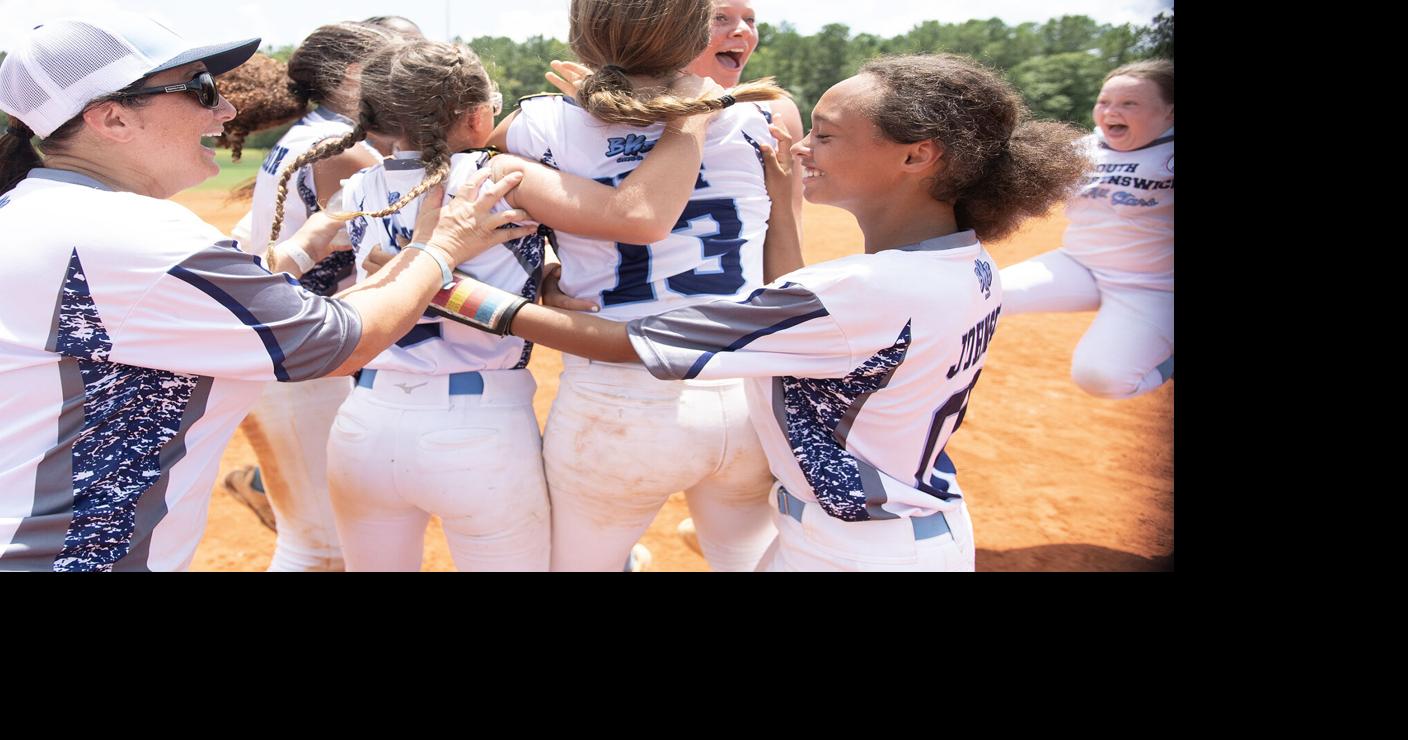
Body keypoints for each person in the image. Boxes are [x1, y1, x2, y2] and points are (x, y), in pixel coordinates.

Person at [438, 53, 1088, 571]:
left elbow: (628, 343)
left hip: (859, 552)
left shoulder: (862, 290)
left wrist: (447, 287)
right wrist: (780, 192)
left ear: (916, 156)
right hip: (880, 533)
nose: (803, 147)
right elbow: (808, 311)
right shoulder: (965, 266)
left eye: (827, 137)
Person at [0, 12, 538, 572]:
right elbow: (338, 343)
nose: (226, 111)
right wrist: (441, 245)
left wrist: (313, 245)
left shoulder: (33, 212)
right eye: (201, 90)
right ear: (112, 118)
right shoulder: (130, 236)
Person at [286, 37, 726, 571]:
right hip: (477, 424)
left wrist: (544, 272)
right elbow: (627, 216)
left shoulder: (361, 186)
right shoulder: (497, 178)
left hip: (366, 421)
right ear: (475, 117)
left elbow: (345, 244)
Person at [488, 0, 789, 572]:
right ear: (694, 34)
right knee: (745, 560)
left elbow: (464, 207)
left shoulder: (536, 126)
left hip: (617, 401)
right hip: (745, 391)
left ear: (582, 36)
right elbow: (783, 269)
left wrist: (543, 278)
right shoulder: (763, 117)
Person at [224, 21, 399, 572]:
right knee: (322, 548)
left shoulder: (316, 134)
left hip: (291, 357)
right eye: (391, 63)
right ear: (353, 74)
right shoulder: (344, 150)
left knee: (324, 542)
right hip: (302, 364)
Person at [998, 59, 1174, 400]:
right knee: (987, 298)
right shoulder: (1084, 150)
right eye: (1104, 102)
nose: (1110, 111)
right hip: (1079, 264)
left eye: (1129, 104)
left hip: (1151, 287)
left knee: (1100, 378)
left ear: (1168, 112)